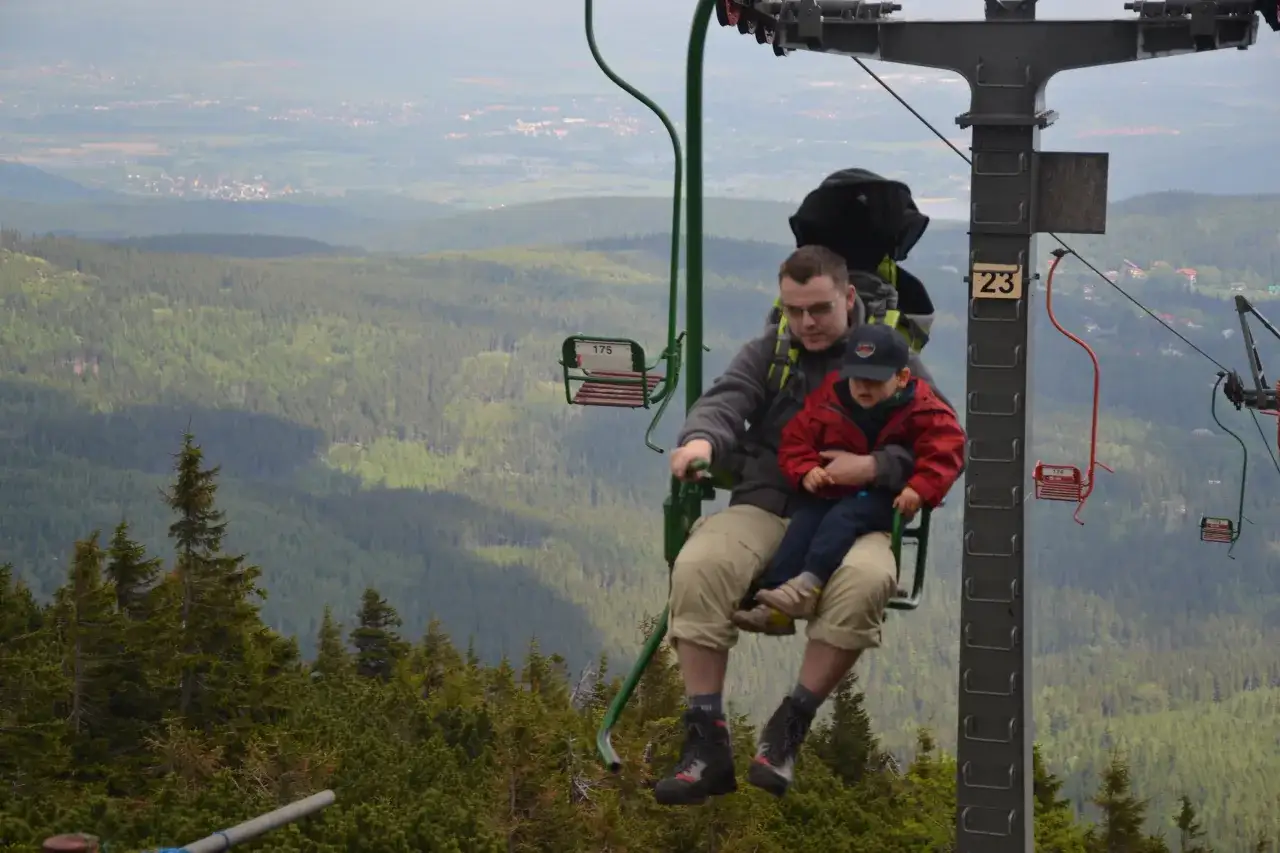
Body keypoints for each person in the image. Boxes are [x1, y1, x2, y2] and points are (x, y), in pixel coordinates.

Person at [653, 243, 948, 806]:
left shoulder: (892, 358)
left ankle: (789, 727)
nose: (806, 323)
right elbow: (726, 401)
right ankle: (706, 743)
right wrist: (701, 442)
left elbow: (940, 437)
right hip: (768, 501)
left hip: (854, 511)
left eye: (819, 309)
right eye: (794, 310)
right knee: (699, 566)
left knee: (866, 581)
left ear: (848, 298)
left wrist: (876, 467)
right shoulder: (771, 353)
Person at [731, 323, 965, 636]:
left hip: (887, 498)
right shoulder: (831, 398)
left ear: (902, 378)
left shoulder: (924, 409)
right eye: (857, 378)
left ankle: (809, 585)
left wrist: (918, 489)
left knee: (845, 517)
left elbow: (946, 451)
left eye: (875, 380)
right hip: (836, 490)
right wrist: (806, 469)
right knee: (805, 520)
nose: (863, 387)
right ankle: (775, 600)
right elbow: (796, 438)